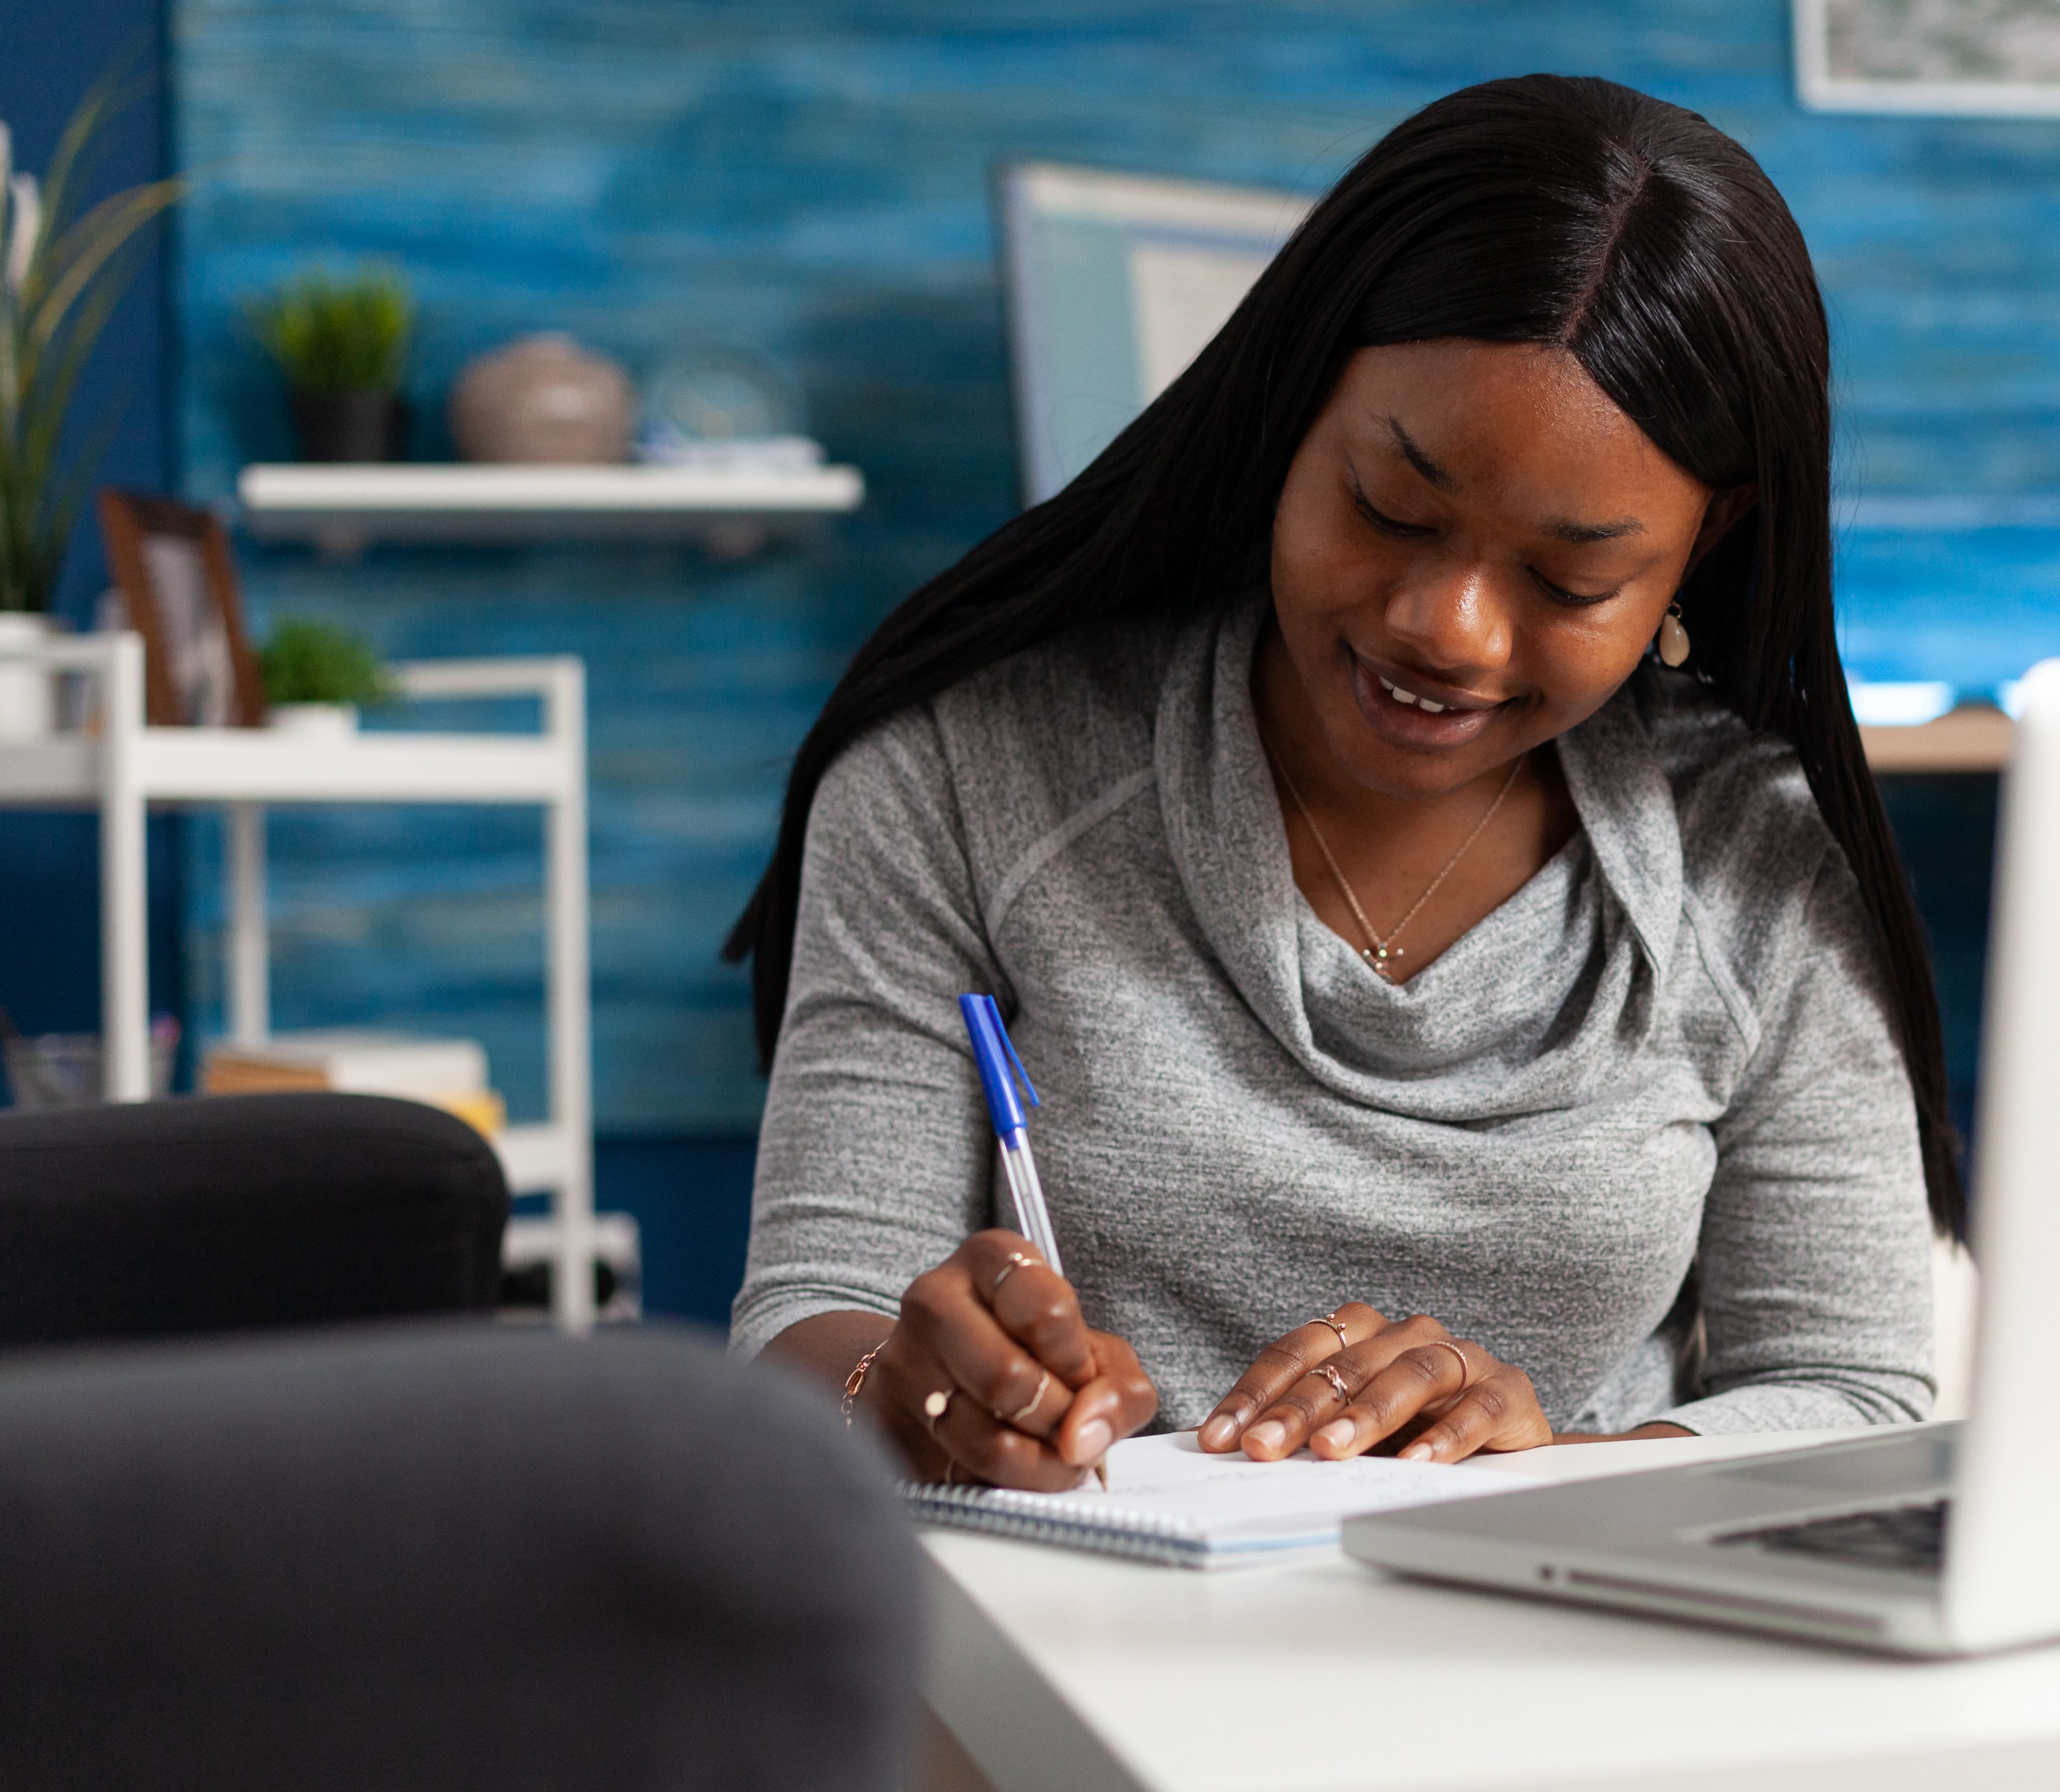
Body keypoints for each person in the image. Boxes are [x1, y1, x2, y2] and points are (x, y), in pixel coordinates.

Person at [728, 75, 1957, 1492]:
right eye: (1390, 508)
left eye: (1570, 577)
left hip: (1573, 1660)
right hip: (1075, 1649)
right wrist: (902, 1386)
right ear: (1291, 413)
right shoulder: (965, 774)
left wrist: (1546, 1468)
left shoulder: (1754, 856)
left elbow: (1857, 1394)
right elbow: (813, 1306)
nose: (1451, 630)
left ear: (1699, 550)